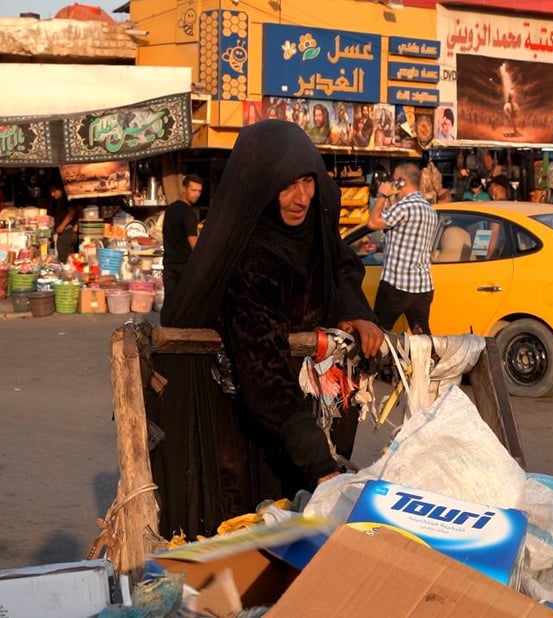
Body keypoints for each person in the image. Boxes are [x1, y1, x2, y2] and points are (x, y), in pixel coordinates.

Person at [150, 120, 383, 538]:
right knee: (253, 533)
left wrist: (356, 312)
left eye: (307, 182)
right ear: (261, 186)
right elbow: (264, 370)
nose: (301, 198)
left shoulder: (316, 224)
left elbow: (342, 266)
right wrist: (321, 465)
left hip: (304, 417)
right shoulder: (249, 259)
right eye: (287, 185)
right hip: (243, 422)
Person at [367, 162, 438, 335]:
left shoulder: (405, 207)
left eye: (393, 180)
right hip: (422, 285)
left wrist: (382, 195)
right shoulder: (430, 209)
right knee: (422, 336)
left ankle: (379, 362)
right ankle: (428, 361)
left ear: (401, 182)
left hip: (397, 284)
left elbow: (372, 222)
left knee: (379, 332)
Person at [160, 174, 203, 303]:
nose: (197, 194)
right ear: (184, 189)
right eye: (193, 190)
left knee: (170, 303)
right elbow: (193, 243)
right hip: (184, 267)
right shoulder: (189, 214)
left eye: (199, 191)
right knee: (185, 306)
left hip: (169, 265)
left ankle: (166, 323)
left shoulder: (170, 209)